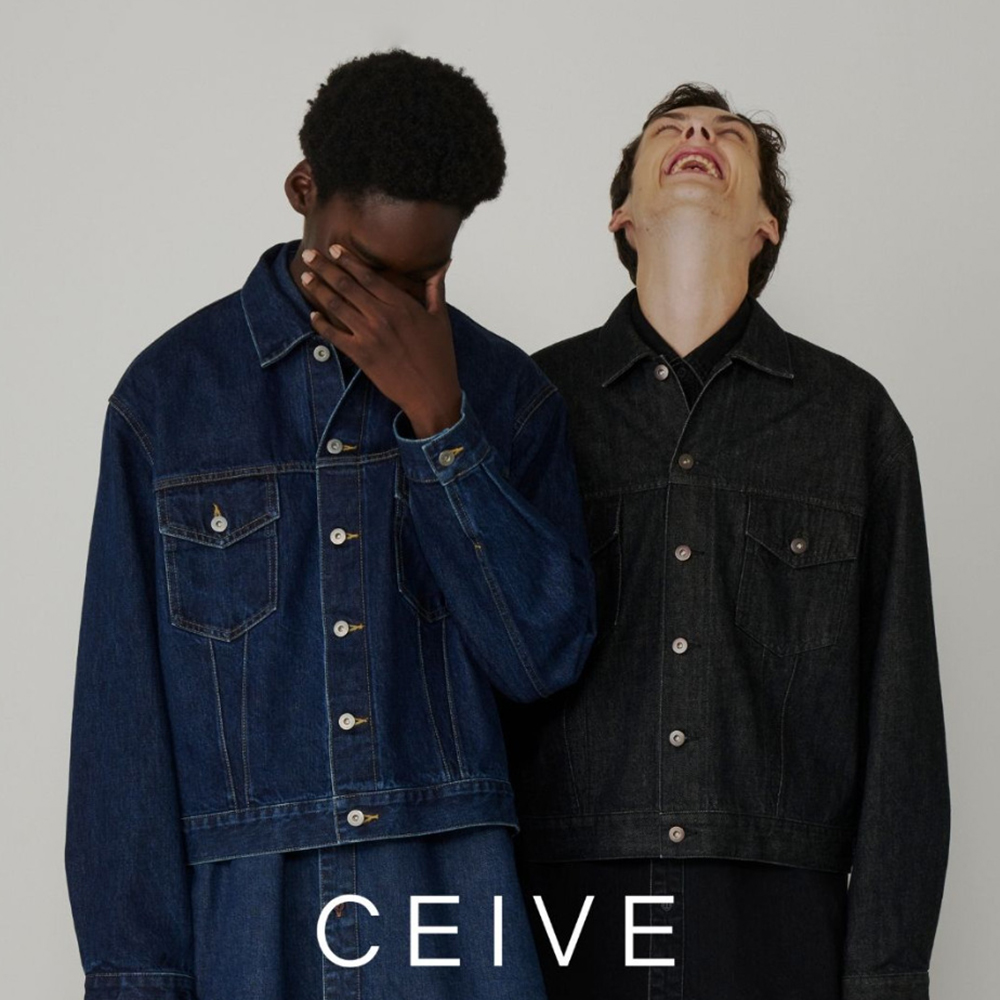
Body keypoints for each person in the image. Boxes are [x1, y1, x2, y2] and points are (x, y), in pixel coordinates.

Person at [64, 49, 595, 1000]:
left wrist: (441, 427)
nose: (389, 307)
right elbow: (123, 732)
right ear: (303, 190)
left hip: (450, 899)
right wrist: (136, 979)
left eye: (424, 275)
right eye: (368, 269)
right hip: (248, 917)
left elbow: (542, 660)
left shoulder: (508, 398)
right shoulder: (169, 401)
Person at [501, 83, 950, 1000]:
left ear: (767, 226)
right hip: (565, 910)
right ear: (622, 215)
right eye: (669, 131)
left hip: (778, 918)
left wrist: (887, 974)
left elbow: (902, 717)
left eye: (727, 135)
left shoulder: (852, 421)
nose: (698, 133)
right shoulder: (530, 407)